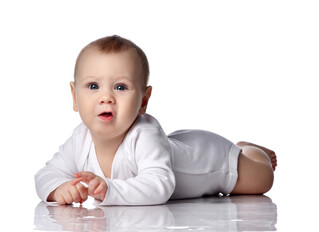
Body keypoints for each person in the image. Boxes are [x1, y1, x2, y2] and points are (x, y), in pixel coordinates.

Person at [34, 35, 277, 206]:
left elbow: (159, 185)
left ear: (143, 101)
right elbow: (46, 173)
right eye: (93, 86)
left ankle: (249, 150)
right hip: (175, 144)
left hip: (214, 158)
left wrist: (111, 189)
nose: (105, 97)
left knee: (261, 179)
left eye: (120, 87)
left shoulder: (144, 134)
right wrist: (59, 190)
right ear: (74, 96)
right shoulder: (81, 137)